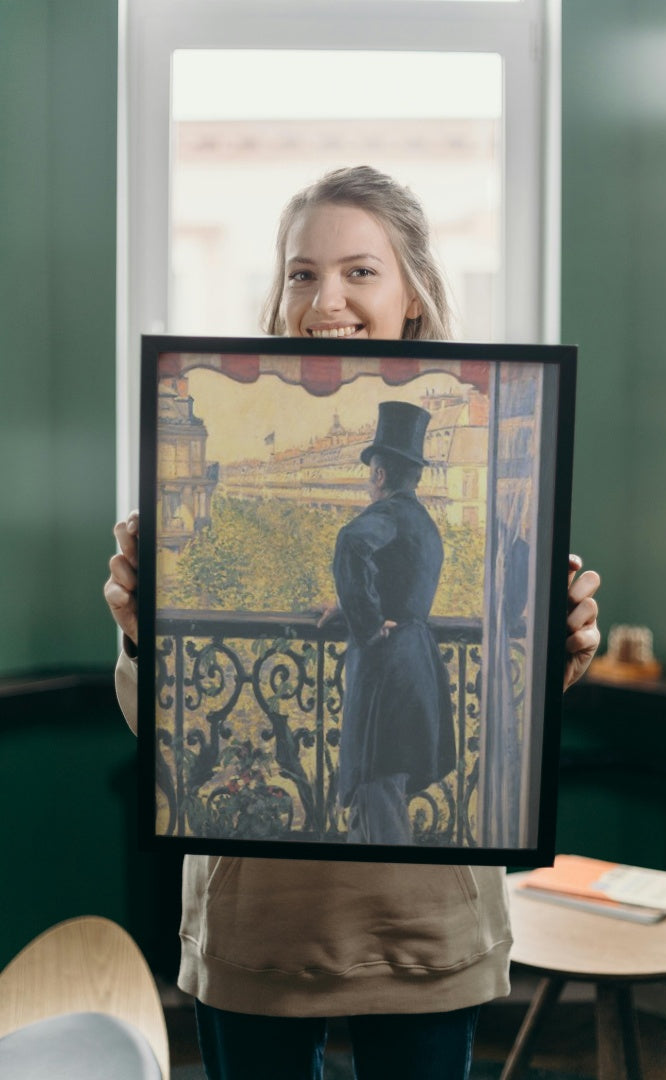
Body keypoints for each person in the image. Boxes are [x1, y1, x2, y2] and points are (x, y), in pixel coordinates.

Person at [105, 166, 601, 1080]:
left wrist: (559, 647)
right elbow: (166, 734)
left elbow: (520, 699)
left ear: (412, 292)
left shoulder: (402, 505)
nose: (324, 297)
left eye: (359, 271)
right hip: (259, 925)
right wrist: (143, 636)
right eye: (301, 272)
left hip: (422, 928)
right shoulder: (419, 517)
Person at [327, 400, 456, 846]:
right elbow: (399, 585)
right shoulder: (423, 522)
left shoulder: (386, 515)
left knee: (377, 797)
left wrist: (363, 621)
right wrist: (348, 605)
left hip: (387, 670)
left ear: (380, 475)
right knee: (385, 793)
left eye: (371, 475)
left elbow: (351, 545)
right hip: (417, 665)